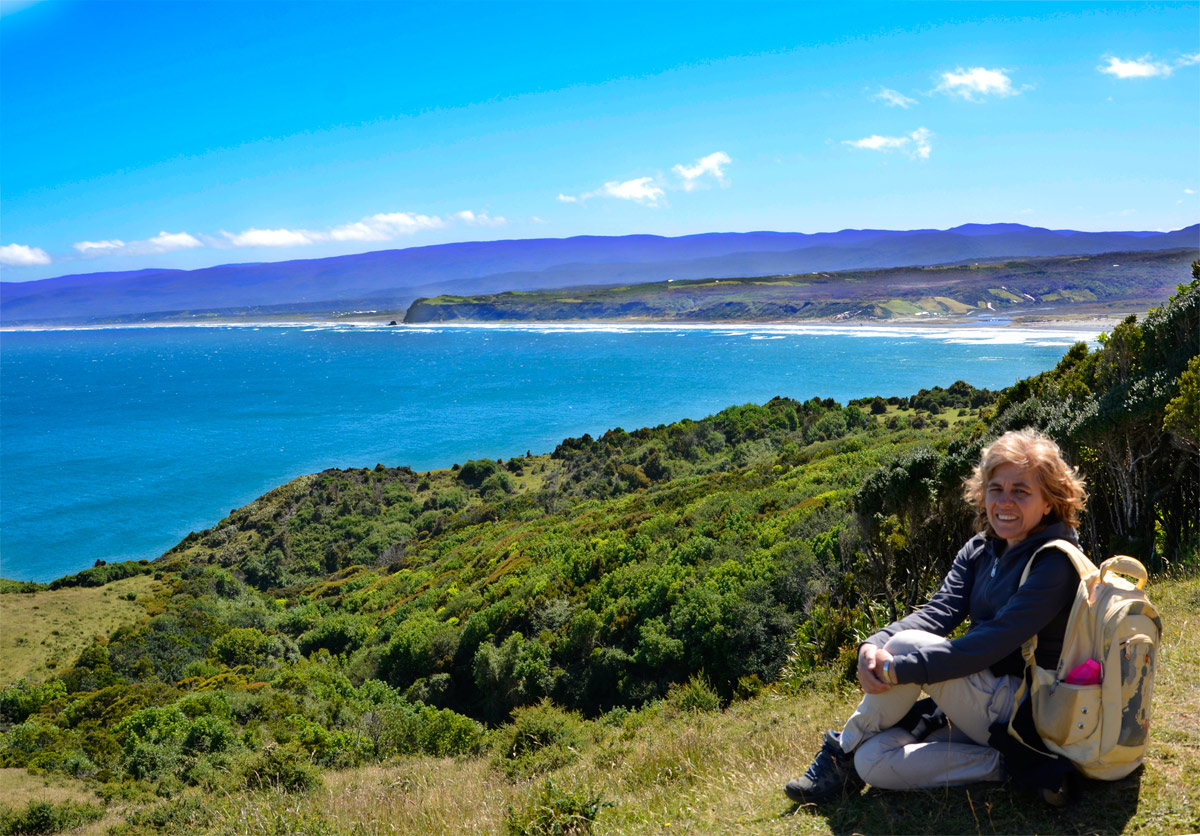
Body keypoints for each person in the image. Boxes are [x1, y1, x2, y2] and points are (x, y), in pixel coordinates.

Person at [785, 428, 1088, 805]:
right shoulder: (981, 550)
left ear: (1049, 502)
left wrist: (902, 668)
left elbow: (991, 642)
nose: (1004, 501)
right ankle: (1013, 765)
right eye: (996, 489)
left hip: (1029, 707)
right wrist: (873, 643)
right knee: (873, 760)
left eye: (1021, 491)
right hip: (983, 702)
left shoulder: (1054, 562)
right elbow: (938, 613)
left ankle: (839, 753)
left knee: (907, 647)